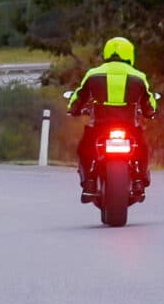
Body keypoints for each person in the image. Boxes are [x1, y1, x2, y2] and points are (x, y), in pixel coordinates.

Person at [67, 36, 158, 200]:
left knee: (85, 148)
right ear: (129, 53)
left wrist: (73, 109)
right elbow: (149, 102)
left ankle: (89, 182)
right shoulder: (139, 76)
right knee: (142, 148)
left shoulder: (93, 73)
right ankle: (139, 181)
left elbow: (78, 97)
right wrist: (150, 113)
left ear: (107, 53)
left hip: (100, 125)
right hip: (129, 125)